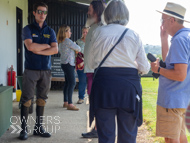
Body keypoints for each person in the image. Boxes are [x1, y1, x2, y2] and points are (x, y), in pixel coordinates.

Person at [87, 0, 150, 142]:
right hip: (128, 89)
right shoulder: (134, 35)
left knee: (106, 136)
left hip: (104, 87)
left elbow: (91, 63)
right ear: (126, 15)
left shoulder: (97, 32)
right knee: (128, 136)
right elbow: (145, 68)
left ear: (106, 15)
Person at [151, 2, 190, 143]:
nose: (162, 23)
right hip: (182, 99)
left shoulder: (179, 40)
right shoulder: (186, 36)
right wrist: (164, 40)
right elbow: (171, 64)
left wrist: (158, 70)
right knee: (180, 136)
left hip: (171, 101)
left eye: (163, 19)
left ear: (171, 20)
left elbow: (180, 74)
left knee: (170, 139)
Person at [20, 2, 58, 140]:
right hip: (31, 70)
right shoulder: (27, 29)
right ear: (34, 13)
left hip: (46, 71)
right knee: (27, 100)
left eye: (44, 12)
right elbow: (30, 47)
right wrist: (46, 47)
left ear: (46, 14)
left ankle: (38, 128)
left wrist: (39, 49)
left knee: (42, 99)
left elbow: (55, 50)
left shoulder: (50, 31)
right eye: (39, 12)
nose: (42, 14)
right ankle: (23, 130)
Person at [82, 0, 105, 138]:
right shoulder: (95, 27)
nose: (88, 12)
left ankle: (98, 129)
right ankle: (96, 128)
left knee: (97, 101)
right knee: (94, 100)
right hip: (91, 71)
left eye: (89, 9)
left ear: (96, 11)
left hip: (96, 71)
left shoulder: (102, 28)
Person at [57, 25, 81, 111]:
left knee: (67, 83)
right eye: (69, 31)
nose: (71, 32)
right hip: (69, 64)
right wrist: (75, 46)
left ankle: (65, 102)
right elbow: (78, 48)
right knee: (72, 83)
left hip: (64, 64)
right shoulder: (68, 41)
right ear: (65, 32)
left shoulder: (60, 42)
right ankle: (70, 104)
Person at [76, 27, 89, 104]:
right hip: (81, 66)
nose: (85, 33)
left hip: (90, 65)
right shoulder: (78, 42)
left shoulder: (92, 42)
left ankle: (92, 98)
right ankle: (81, 98)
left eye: (86, 32)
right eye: (84, 32)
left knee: (91, 82)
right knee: (82, 82)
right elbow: (76, 54)